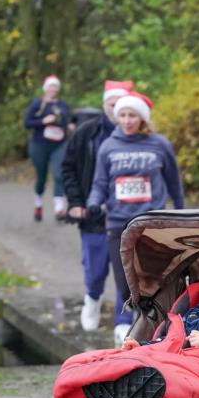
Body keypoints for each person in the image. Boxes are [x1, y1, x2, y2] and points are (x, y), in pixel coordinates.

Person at [88, 91, 185, 347]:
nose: (127, 120)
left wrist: (181, 212)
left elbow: (174, 183)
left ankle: (149, 331)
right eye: (123, 115)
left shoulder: (159, 144)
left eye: (132, 115)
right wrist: (93, 203)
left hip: (151, 222)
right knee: (124, 284)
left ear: (141, 117)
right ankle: (135, 324)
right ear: (117, 117)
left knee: (153, 279)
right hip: (118, 222)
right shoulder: (109, 146)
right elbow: (99, 183)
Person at [62, 79, 134, 332]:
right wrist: (76, 202)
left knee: (125, 271)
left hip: (127, 215)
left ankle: (124, 321)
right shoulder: (86, 133)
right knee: (95, 271)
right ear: (104, 105)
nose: (117, 112)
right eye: (112, 105)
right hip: (93, 214)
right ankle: (92, 298)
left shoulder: (139, 137)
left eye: (122, 106)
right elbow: (68, 168)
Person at [25, 75, 72, 222]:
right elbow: (27, 123)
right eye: (51, 86)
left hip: (59, 144)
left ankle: (59, 209)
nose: (53, 89)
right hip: (40, 144)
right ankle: (38, 205)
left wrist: (69, 126)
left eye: (56, 87)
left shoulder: (62, 105)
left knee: (59, 175)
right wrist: (43, 121)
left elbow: (66, 121)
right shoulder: (38, 104)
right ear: (46, 88)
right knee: (41, 178)